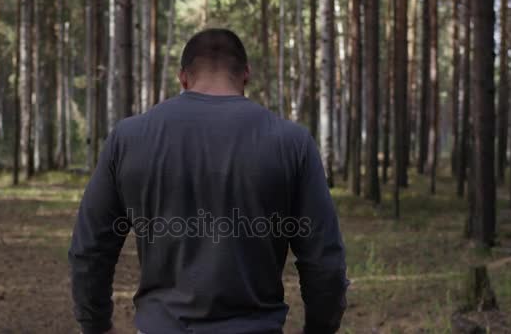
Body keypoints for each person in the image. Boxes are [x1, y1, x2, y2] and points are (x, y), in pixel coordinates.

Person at [69, 28, 348, 334]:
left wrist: (95, 326)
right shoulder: (291, 142)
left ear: (183, 78)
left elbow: (90, 249)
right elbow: (324, 262)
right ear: (246, 75)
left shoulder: (129, 138)